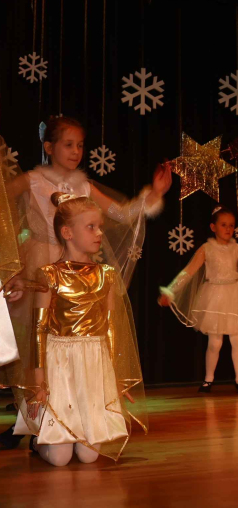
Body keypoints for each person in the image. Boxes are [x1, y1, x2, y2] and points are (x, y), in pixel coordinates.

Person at [0, 117, 170, 450]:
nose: (76, 151)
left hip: (77, 270)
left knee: (71, 346)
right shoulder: (32, 180)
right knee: (35, 344)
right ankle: (32, 420)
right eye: (68, 144)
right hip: (38, 267)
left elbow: (121, 214)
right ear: (49, 147)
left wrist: (154, 195)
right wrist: (12, 264)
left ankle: (70, 420)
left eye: (80, 145)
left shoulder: (85, 186)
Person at [11, 192, 147, 465]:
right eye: (91, 227)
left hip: (93, 362)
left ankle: (73, 434)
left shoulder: (106, 275)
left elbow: (111, 328)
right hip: (60, 363)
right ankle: (39, 440)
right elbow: (39, 328)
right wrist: (39, 380)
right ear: (67, 233)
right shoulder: (49, 274)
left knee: (88, 456)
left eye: (100, 227)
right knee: (60, 458)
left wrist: (115, 378)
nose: (99, 233)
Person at [158, 206, 238, 393]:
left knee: (237, 339)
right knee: (215, 342)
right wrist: (170, 291)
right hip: (214, 296)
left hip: (234, 295)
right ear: (213, 227)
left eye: (231, 225)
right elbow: (188, 271)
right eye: (223, 225)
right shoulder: (206, 249)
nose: (228, 229)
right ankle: (208, 380)